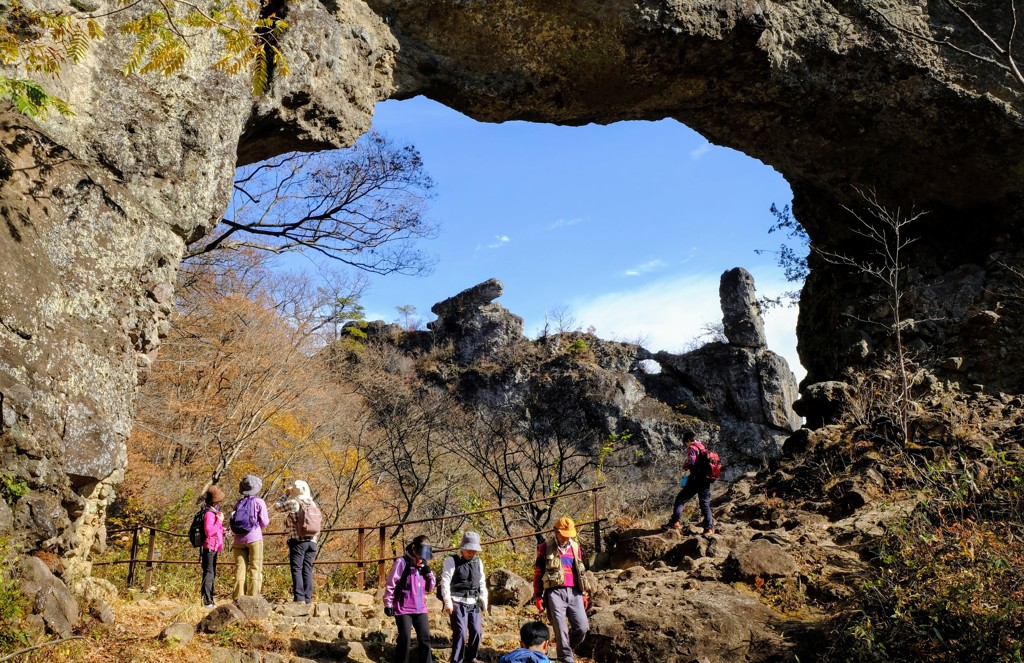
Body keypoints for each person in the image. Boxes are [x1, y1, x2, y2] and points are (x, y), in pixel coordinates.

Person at [532, 517, 590, 663]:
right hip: (554, 592)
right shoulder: (545, 547)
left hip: (575, 592)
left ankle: (565, 650)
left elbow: (581, 572)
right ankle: (566, 659)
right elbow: (538, 572)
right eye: (563, 534)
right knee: (560, 628)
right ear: (556, 532)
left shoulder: (576, 547)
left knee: (582, 627)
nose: (566, 538)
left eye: (568, 535)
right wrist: (538, 596)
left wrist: (583, 593)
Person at [383, 534, 436, 663]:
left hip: (420, 608)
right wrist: (388, 603)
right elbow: (391, 583)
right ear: (414, 548)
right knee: (405, 639)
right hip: (403, 608)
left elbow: (430, 588)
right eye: (420, 553)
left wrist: (428, 573)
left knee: (425, 639)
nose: (422, 557)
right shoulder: (402, 562)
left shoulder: (424, 565)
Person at [439, 531, 488, 663]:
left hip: (474, 601)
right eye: (469, 550)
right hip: (457, 600)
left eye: (474, 550)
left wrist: (484, 601)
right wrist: (447, 603)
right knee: (460, 632)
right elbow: (445, 582)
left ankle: (472, 657)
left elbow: (482, 583)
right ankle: (457, 660)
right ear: (463, 547)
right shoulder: (451, 560)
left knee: (477, 631)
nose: (471, 553)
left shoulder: (478, 562)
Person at [274, 479, 320, 604]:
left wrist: (286, 494)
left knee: (297, 569)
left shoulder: (294, 502)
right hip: (313, 540)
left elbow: (277, 507)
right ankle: (308, 598)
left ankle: (299, 598)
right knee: (307, 569)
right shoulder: (312, 503)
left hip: (298, 540)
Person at [664, 429, 715, 536]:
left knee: (680, 499)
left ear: (688, 440)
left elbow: (692, 461)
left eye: (685, 443)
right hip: (706, 479)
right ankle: (709, 528)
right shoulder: (702, 446)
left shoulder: (692, 448)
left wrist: (686, 465)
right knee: (705, 504)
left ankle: (674, 522)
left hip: (695, 479)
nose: (686, 445)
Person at [231, 474, 270, 599]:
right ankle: (253, 598)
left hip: (238, 539)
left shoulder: (238, 503)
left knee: (240, 569)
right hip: (254, 538)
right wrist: (257, 528)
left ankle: (238, 598)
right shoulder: (259, 502)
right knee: (255, 567)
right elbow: (265, 521)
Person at [199, 485, 226, 608]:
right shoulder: (209, 514)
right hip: (209, 547)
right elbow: (209, 531)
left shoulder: (212, 512)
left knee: (211, 572)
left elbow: (213, 529)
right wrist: (220, 521)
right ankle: (207, 601)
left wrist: (222, 529)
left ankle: (209, 599)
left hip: (213, 546)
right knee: (209, 573)